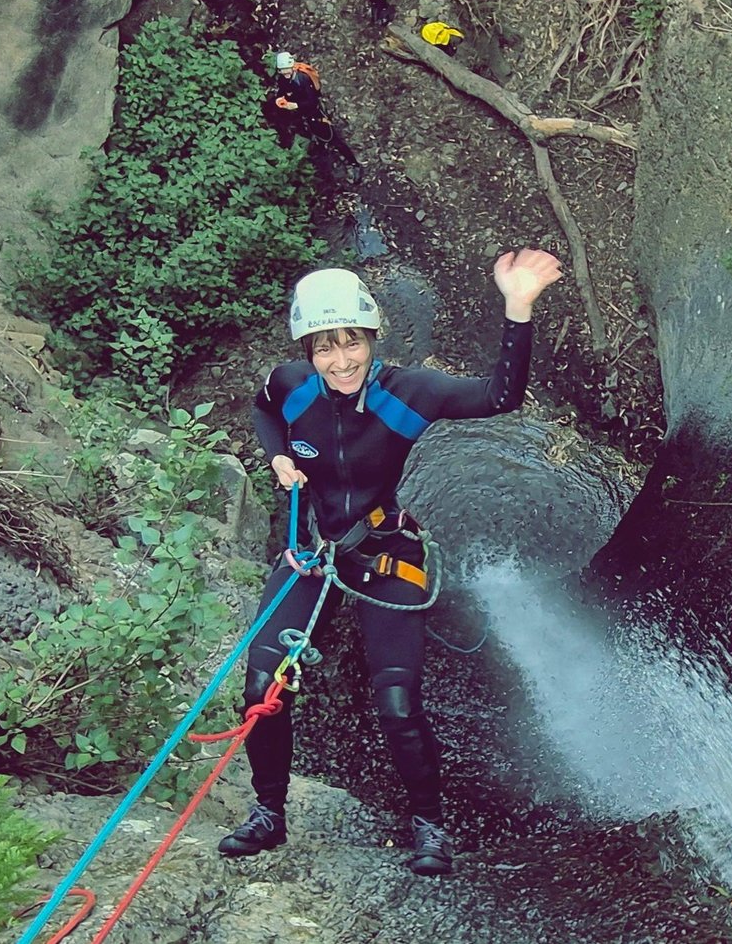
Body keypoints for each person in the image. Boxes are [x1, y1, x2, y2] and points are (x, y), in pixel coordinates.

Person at [217, 249, 563, 876]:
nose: (341, 360)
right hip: (312, 548)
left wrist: (518, 306)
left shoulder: (409, 392)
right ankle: (270, 815)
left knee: (398, 702)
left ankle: (428, 826)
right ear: (308, 350)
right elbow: (263, 408)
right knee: (260, 689)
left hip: (383, 546)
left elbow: (501, 397)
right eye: (325, 347)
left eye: (352, 344)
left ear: (372, 338)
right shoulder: (291, 386)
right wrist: (276, 458)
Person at [272, 51, 361, 179]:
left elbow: (312, 101)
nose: (285, 72)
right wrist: (280, 99)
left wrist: (295, 105)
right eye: (282, 70)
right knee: (314, 135)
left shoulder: (303, 79)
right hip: (301, 114)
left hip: (313, 112)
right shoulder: (283, 79)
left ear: (292, 67)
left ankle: (354, 163)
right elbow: (282, 90)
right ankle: (321, 151)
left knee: (332, 138)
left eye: (286, 69)